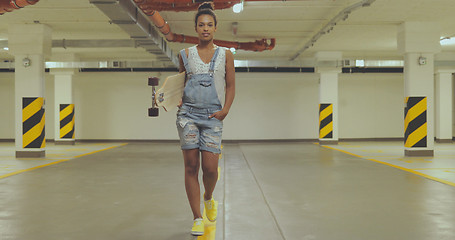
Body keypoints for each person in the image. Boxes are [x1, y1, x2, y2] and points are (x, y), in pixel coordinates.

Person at [176, 1, 235, 236]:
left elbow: (231, 86)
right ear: (196, 28)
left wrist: (225, 110)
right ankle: (197, 217)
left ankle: (208, 197)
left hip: (213, 116)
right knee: (191, 166)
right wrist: (176, 100)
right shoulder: (185, 54)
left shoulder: (226, 55)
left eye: (210, 24)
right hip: (187, 115)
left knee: (210, 169)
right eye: (201, 25)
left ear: (215, 28)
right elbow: (180, 86)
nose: (205, 28)